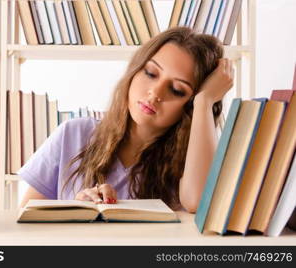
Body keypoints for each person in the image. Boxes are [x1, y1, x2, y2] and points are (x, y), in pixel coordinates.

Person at [18, 26, 234, 213]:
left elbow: (197, 202)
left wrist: (205, 102)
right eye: (150, 73)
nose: (155, 93)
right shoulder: (73, 134)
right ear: (135, 70)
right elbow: (25, 226)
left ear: (190, 105)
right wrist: (76, 210)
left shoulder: (196, 158)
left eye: (177, 90)